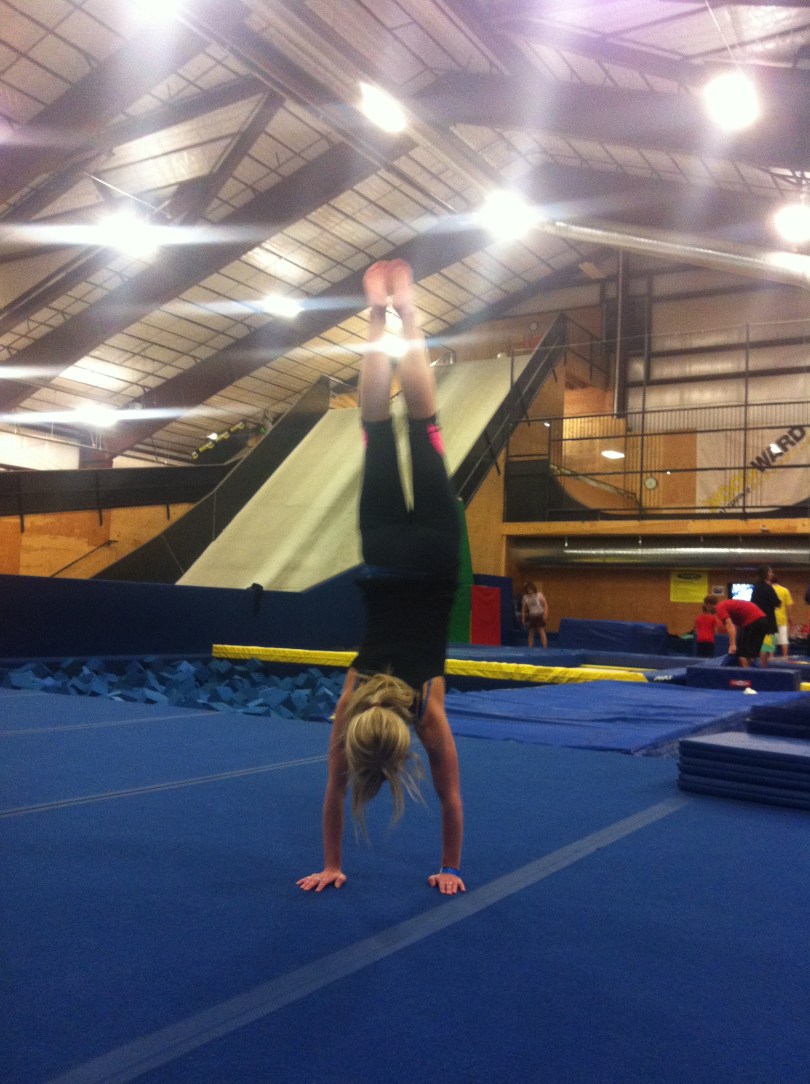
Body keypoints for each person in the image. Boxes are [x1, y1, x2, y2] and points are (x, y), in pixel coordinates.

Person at [297, 259, 465, 897]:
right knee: (374, 431)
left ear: (401, 748)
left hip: (438, 559)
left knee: (422, 427)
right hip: (384, 555)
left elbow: (451, 801)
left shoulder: (427, 713)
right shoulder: (350, 704)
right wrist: (330, 860)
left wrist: (451, 868)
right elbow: (332, 791)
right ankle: (375, 313)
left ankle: (408, 312)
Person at [705, 595, 768, 668]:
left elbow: (730, 626)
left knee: (742, 654)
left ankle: (746, 673)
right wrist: (737, 641)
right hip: (762, 620)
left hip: (753, 621)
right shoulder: (728, 605)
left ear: (708, 604)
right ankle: (750, 670)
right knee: (750, 654)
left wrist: (732, 645)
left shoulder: (720, 607)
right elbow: (738, 627)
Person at [750, 565, 781, 667]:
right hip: (768, 621)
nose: (772, 574)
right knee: (766, 646)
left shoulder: (756, 587)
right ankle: (764, 667)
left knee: (757, 644)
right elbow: (776, 602)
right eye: (770, 572)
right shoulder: (768, 588)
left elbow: (752, 602)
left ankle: (755, 666)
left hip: (757, 620)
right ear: (766, 574)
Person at [770, 574, 793, 658]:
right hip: (782, 619)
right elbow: (789, 605)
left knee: (771, 640)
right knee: (784, 640)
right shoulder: (785, 590)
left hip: (771, 619)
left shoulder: (768, 590)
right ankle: (785, 656)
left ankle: (771, 657)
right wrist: (789, 618)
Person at [520, 580, 548, 648]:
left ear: (533, 588)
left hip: (539, 615)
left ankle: (545, 647)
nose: (530, 590)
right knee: (531, 632)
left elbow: (545, 605)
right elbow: (523, 609)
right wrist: (523, 617)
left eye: (531, 589)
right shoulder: (525, 597)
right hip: (532, 616)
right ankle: (530, 646)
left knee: (541, 631)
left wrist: (545, 614)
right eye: (528, 589)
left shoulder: (539, 595)